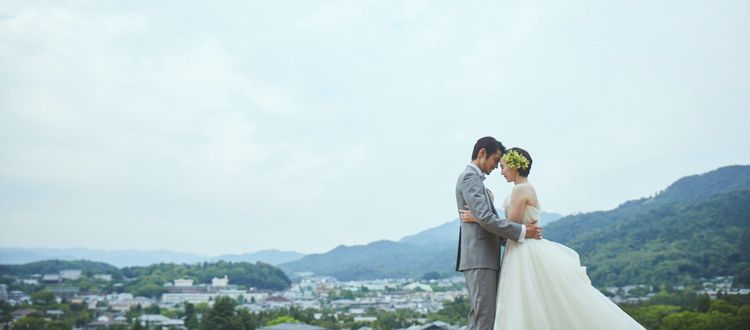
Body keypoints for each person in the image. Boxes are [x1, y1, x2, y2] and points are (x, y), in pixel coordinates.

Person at [461, 147, 645, 329]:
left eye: (503, 167)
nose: (501, 172)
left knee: (523, 301)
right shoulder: (526, 188)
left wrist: (478, 217)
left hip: (521, 252)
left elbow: (511, 225)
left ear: (514, 166)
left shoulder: (519, 190)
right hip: (523, 247)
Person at [455, 137, 543, 330]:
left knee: (483, 315)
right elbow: (486, 218)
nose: (497, 167)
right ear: (482, 153)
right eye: (496, 160)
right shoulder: (470, 177)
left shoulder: (477, 181)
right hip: (480, 257)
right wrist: (522, 231)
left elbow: (484, 217)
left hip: (485, 256)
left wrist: (482, 215)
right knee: (484, 316)